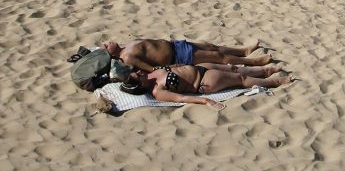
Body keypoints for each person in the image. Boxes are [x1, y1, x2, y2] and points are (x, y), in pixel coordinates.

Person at [120, 64, 290, 110]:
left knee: (233, 68)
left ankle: (265, 71)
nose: (141, 72)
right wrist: (206, 101)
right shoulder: (158, 92)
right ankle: (276, 81)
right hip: (202, 81)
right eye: (138, 75)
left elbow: (174, 66)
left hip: (199, 67)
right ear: (140, 84)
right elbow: (182, 98)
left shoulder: (150, 75)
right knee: (241, 79)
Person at [101, 38, 270, 73]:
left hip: (175, 45)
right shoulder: (127, 57)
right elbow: (152, 69)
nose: (106, 42)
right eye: (105, 46)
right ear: (110, 55)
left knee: (211, 46)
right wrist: (175, 66)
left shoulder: (126, 45)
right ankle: (254, 62)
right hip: (177, 57)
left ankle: (242, 51)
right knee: (216, 56)